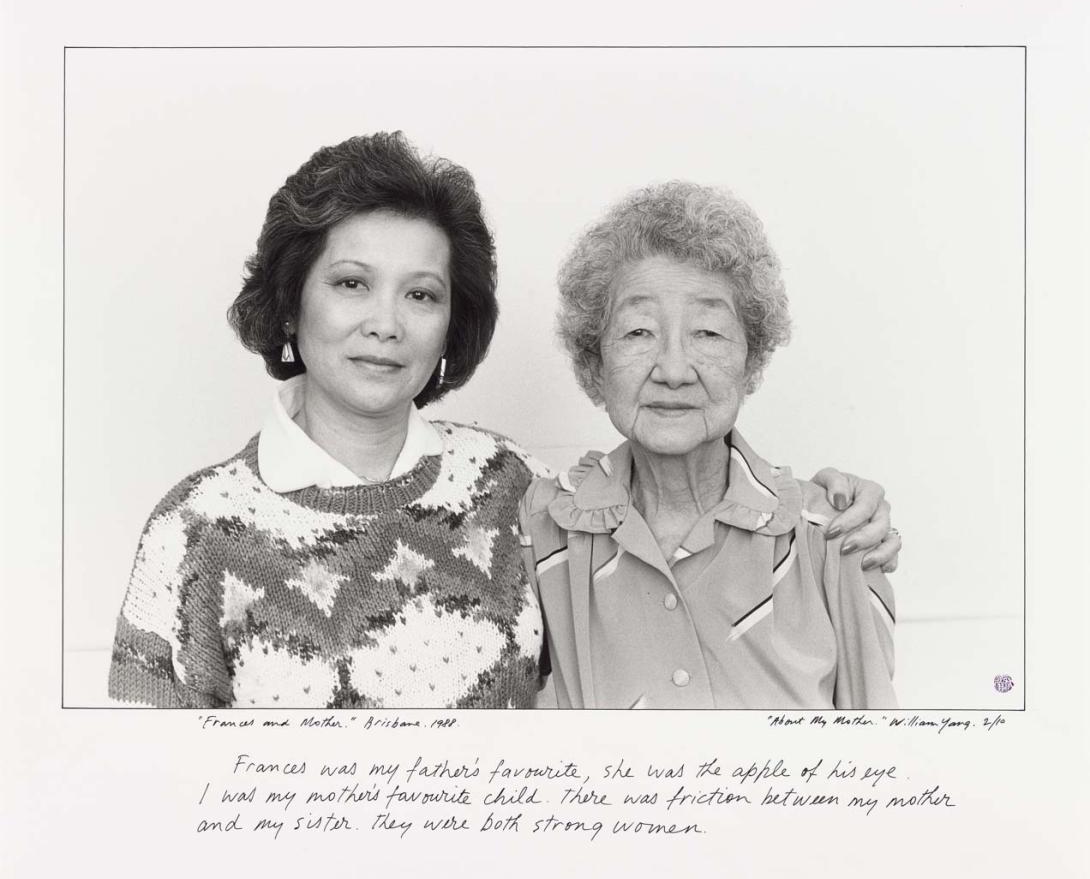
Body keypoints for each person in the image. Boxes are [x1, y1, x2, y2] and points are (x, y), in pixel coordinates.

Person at [107, 132, 899, 709]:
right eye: (351, 283)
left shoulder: (510, 493)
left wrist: (843, 507)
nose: (386, 322)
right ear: (291, 300)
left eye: (421, 294)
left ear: (453, 323)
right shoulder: (194, 529)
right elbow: (139, 811)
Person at [519, 181, 899, 709]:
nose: (673, 371)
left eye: (709, 334)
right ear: (594, 361)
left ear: (752, 360)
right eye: (637, 332)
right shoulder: (541, 531)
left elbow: (883, 762)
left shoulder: (836, 537)